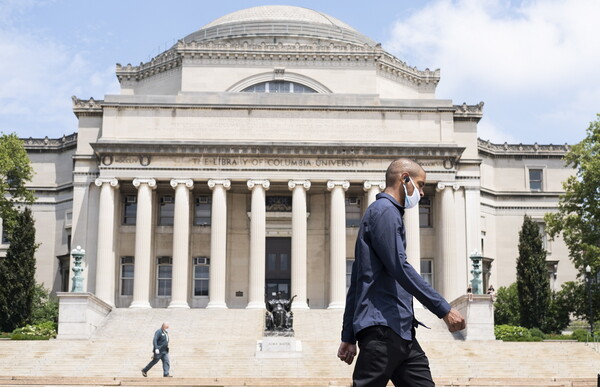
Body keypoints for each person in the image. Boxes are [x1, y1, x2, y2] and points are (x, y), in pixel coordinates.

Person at [337, 158, 466, 387]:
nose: (423, 193)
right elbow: (400, 267)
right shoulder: (384, 212)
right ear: (404, 178)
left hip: (402, 333)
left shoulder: (387, 213)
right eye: (421, 184)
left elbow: (357, 283)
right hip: (382, 331)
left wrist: (348, 335)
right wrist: (443, 308)